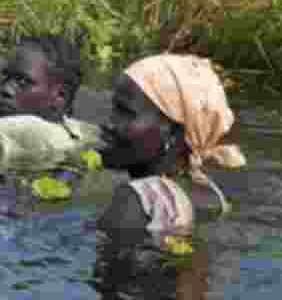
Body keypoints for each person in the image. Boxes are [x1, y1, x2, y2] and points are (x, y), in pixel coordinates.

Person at [97, 53, 247, 235]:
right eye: (114, 109)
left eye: (126, 113)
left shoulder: (136, 200)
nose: (109, 123)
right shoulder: (212, 197)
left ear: (173, 133)